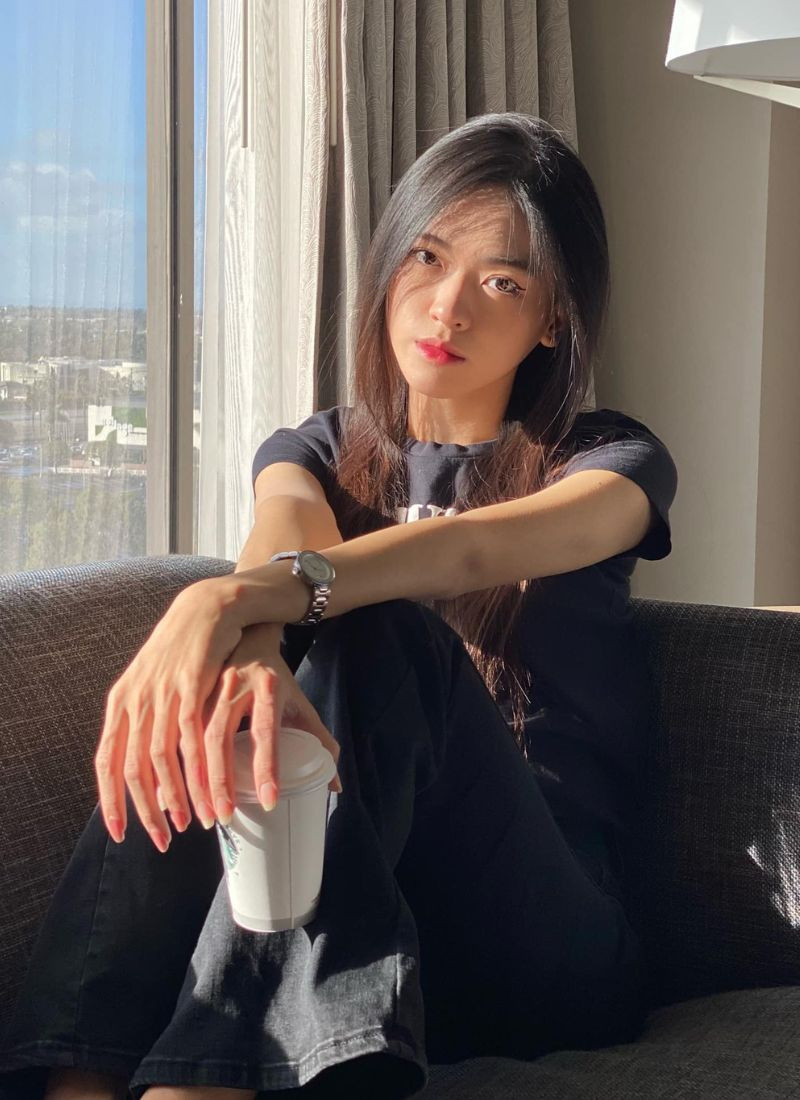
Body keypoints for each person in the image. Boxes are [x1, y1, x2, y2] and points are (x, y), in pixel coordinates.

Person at [0, 111, 677, 1100]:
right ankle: (80, 1076)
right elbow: (286, 538)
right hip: (370, 917)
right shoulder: (315, 449)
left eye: (501, 281)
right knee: (225, 686)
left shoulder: (612, 461)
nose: (446, 307)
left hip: (551, 945)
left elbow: (465, 549)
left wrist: (227, 600)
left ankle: (205, 1082)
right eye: (427, 257)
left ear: (553, 319)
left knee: (373, 617)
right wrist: (231, 639)